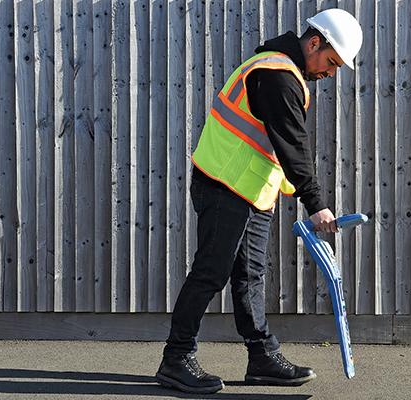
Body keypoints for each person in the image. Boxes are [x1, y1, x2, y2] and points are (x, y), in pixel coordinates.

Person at [155, 8, 363, 394]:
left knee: (250, 276)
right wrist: (316, 203)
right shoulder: (275, 75)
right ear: (314, 42)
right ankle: (176, 358)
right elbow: (293, 148)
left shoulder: (286, 74)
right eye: (331, 62)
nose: (330, 72)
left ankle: (261, 357)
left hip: (251, 190)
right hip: (222, 184)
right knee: (211, 272)